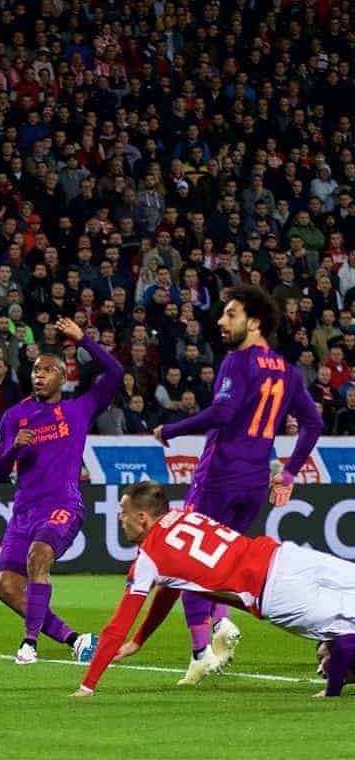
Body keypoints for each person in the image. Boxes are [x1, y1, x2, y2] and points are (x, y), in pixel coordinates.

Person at [153, 284, 323, 683]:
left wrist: (172, 429)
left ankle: (201, 650)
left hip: (220, 474)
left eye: (230, 313)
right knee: (222, 559)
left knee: (190, 561)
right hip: (253, 483)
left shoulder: (237, 361)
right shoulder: (288, 370)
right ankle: (222, 620)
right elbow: (313, 424)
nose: (221, 320)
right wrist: (287, 472)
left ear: (255, 321)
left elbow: (223, 412)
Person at [73, 482, 355, 699]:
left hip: (275, 591)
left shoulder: (148, 559)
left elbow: (116, 626)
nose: (121, 520)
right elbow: (171, 588)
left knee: (346, 634)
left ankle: (336, 685)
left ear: (143, 517)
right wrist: (139, 641)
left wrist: (88, 685)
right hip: (285, 555)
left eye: (124, 514)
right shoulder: (184, 516)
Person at [0, 317, 122, 665]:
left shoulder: (78, 409)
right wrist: (12, 449)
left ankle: (29, 643)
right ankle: (76, 640)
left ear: (63, 377)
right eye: (36, 369)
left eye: (48, 370)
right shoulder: (14, 416)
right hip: (24, 512)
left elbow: (116, 373)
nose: (39, 375)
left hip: (63, 503)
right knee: (6, 587)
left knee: (38, 557)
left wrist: (84, 339)